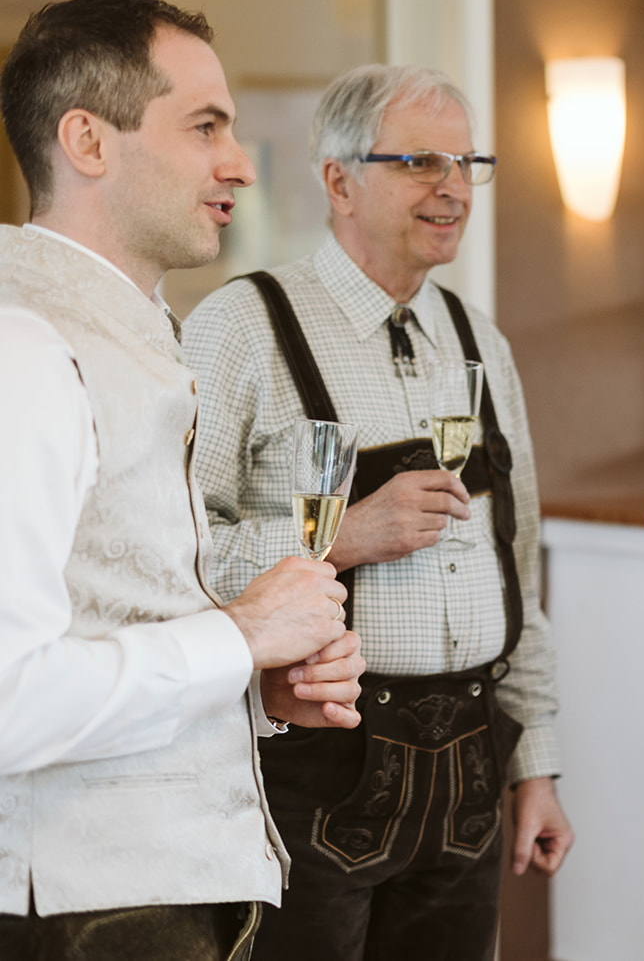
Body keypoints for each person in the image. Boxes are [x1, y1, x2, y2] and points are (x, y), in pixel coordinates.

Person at [0, 0, 364, 960]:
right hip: (80, 915)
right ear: (87, 139)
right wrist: (238, 635)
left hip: (158, 892)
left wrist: (250, 683)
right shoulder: (27, 352)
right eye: (205, 127)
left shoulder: (127, 334)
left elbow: (104, 618)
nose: (239, 162)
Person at [184, 64, 572, 961]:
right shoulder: (242, 324)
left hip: (472, 771)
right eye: (420, 161)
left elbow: (520, 568)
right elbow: (178, 549)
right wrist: (346, 535)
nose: (453, 187)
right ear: (338, 179)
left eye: (467, 162)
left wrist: (536, 765)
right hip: (316, 768)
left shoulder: (480, 340)